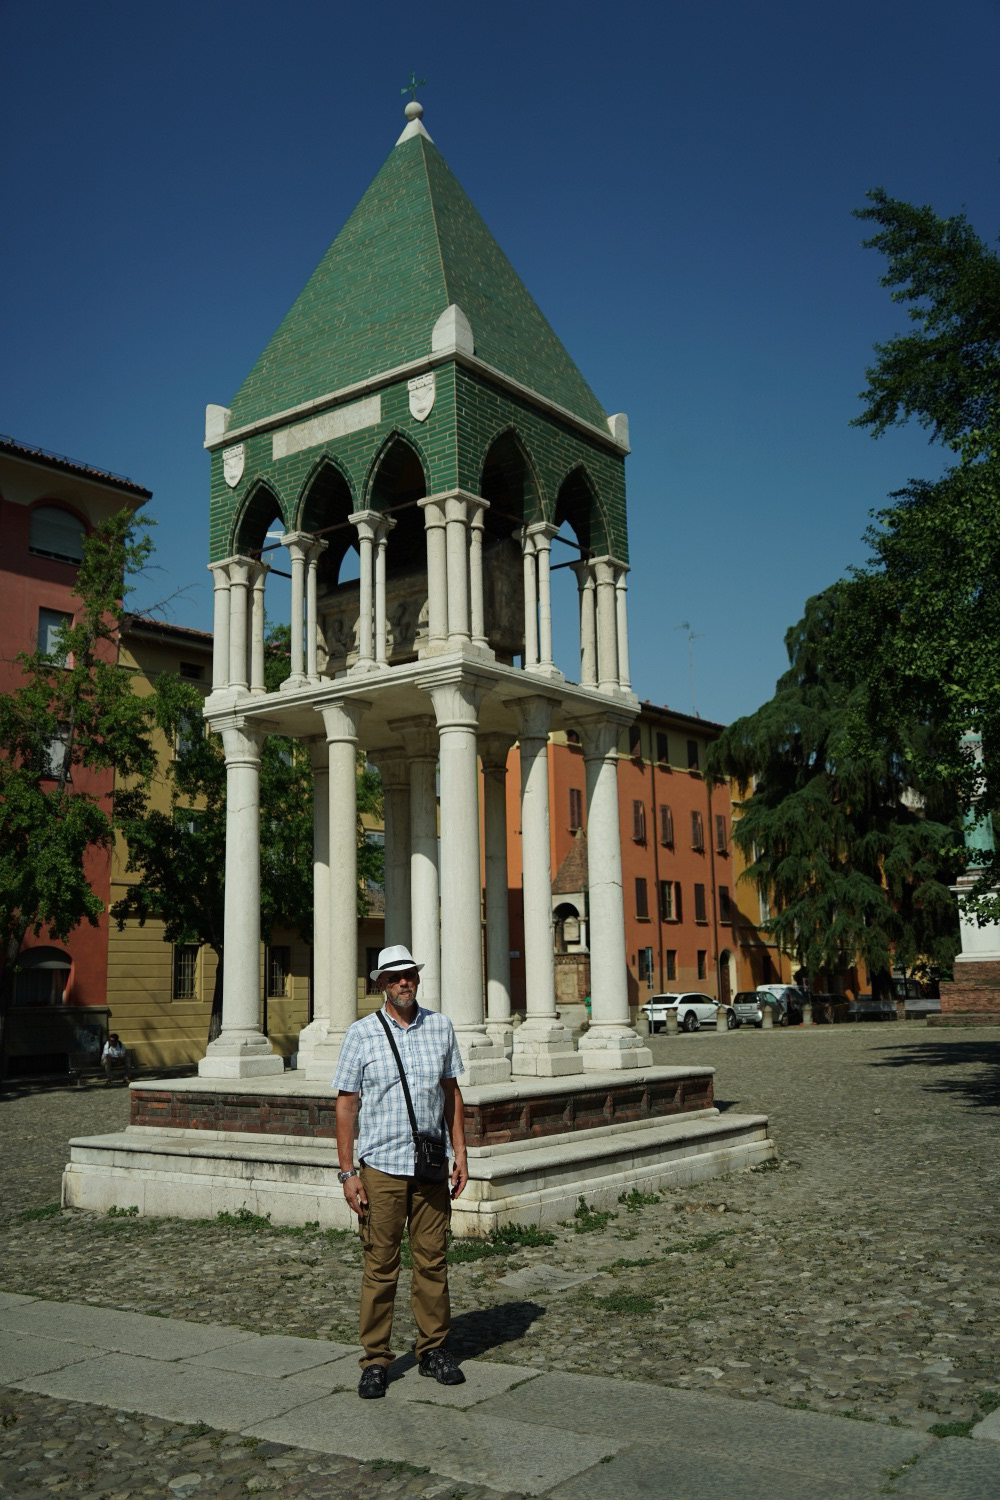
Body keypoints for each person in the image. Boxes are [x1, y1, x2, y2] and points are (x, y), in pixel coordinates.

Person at [333, 944, 469, 1400]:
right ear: (381, 984)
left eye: (408, 974)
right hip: (382, 1168)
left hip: (429, 1165)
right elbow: (346, 1104)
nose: (403, 982)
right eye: (393, 977)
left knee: (432, 1260)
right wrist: (348, 1172)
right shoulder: (360, 1034)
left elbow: (451, 1093)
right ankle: (375, 1360)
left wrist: (460, 1153)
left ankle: (433, 1350)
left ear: (417, 978)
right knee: (380, 1264)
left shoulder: (440, 1027)